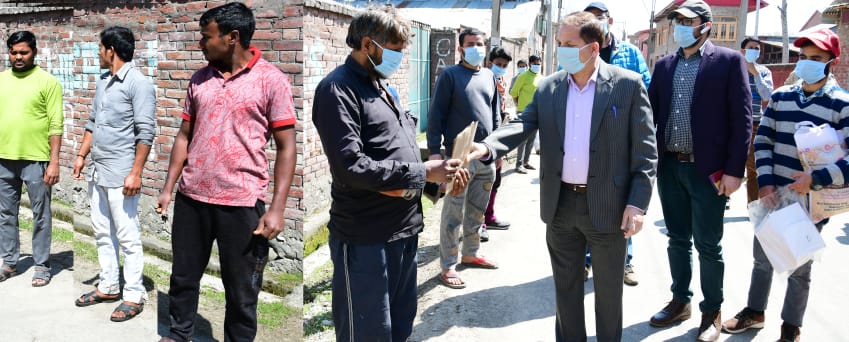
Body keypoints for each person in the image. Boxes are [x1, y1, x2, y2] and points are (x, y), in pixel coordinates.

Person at [468, 11, 657, 340]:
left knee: (609, 295)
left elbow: (645, 151)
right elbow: (522, 124)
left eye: (569, 44)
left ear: (593, 48)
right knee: (566, 292)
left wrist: (637, 204)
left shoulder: (627, 85)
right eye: (559, 43)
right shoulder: (550, 87)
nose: (562, 49)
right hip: (561, 206)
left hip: (609, 208)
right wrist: (486, 147)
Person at [313, 8, 466, 340]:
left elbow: (400, 150)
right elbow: (351, 167)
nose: (399, 58)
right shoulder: (337, 90)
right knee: (367, 332)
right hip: (366, 238)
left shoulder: (386, 89)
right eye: (394, 50)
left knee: (399, 328)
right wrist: (422, 173)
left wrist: (439, 179)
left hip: (404, 232)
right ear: (368, 44)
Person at [155, 3, 297, 341]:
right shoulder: (199, 79)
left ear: (232, 37)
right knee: (184, 276)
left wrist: (277, 208)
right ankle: (178, 333)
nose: (201, 44)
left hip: (242, 202)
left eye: (207, 37)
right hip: (192, 198)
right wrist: (167, 187)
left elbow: (286, 147)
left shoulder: (271, 81)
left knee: (241, 290)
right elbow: (183, 136)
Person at [722, 28, 847, 342]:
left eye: (815, 58)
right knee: (762, 258)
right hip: (774, 195)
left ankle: (791, 327)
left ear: (831, 60)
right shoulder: (780, 97)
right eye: (802, 57)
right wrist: (764, 183)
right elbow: (762, 142)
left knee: (800, 269)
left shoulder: (841, 104)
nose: (806, 63)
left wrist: (815, 179)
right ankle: (754, 311)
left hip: (813, 201)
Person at [646, 1, 752, 341]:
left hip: (709, 171)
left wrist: (735, 171)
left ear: (705, 26)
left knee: (708, 244)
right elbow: (648, 117)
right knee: (677, 239)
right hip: (670, 166)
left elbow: (742, 120)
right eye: (676, 20)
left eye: (686, 21)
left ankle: (712, 312)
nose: (678, 26)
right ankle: (680, 301)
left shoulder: (728, 61)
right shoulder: (663, 66)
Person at [72, 26, 155, 322]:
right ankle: (108, 286)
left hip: (122, 174)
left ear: (111, 50)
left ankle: (133, 295)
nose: (97, 52)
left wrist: (136, 173)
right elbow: (92, 122)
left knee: (127, 236)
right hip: (98, 170)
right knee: (102, 232)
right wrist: (82, 155)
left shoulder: (139, 84)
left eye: (100, 47)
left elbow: (146, 132)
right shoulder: (104, 81)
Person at [584, 0, 653, 286]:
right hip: (589, 138)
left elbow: (646, 88)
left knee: (623, 199)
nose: (597, 21)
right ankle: (587, 260)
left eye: (601, 17)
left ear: (609, 21)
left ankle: (624, 261)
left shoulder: (630, 53)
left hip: (623, 139)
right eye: (591, 18)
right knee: (589, 200)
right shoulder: (582, 52)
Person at [427, 27, 501, 289]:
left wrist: (497, 151)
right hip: (459, 157)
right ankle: (447, 266)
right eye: (470, 44)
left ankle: (470, 252)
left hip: (486, 155)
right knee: (453, 213)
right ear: (460, 49)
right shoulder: (450, 76)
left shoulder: (489, 76)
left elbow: (495, 116)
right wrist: (435, 151)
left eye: (480, 43)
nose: (476, 48)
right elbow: (435, 117)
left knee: (477, 211)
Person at [0, 31, 63, 287]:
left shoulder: (48, 82)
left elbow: (56, 125)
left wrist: (55, 161)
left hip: (37, 160)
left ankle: (41, 265)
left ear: (34, 52)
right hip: (3, 158)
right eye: (14, 52)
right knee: (5, 213)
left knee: (41, 215)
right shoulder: (2, 80)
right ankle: (9, 262)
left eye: (23, 52)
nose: (18, 57)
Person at [739, 36, 774, 204]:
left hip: (754, 124)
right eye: (751, 47)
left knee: (752, 168)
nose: (754, 50)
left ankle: (752, 204)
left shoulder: (764, 72)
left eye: (757, 48)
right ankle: (721, 197)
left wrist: (755, 73)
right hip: (733, 123)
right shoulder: (734, 68)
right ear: (742, 51)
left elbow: (767, 95)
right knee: (723, 163)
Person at [483, 47, 513, 235]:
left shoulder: (499, 81)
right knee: (482, 183)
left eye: (504, 66)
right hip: (485, 141)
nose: (501, 68)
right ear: (489, 64)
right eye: (498, 64)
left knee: (496, 180)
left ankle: (489, 216)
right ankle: (479, 223)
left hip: (498, 136)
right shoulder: (484, 81)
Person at [509, 54, 542, 174]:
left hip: (536, 111)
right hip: (524, 111)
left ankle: (526, 162)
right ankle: (518, 164)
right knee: (522, 139)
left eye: (539, 64)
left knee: (532, 139)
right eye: (535, 64)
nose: (537, 66)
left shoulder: (541, 77)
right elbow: (513, 92)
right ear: (530, 64)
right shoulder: (523, 76)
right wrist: (518, 105)